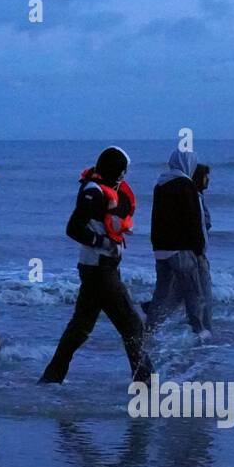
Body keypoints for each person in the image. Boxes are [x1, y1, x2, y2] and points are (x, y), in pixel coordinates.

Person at [40, 147, 152, 384]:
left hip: (97, 269)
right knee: (132, 325)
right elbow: (73, 228)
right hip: (100, 270)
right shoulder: (93, 192)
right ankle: (147, 384)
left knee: (80, 328)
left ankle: (51, 379)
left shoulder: (101, 189)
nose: (125, 175)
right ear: (116, 169)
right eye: (123, 170)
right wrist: (102, 242)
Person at [143, 149, 208, 336]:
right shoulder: (186, 185)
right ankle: (199, 330)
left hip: (161, 248)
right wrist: (198, 248)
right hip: (181, 248)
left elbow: (157, 218)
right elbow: (193, 219)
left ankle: (149, 329)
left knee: (162, 293)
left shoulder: (161, 184)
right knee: (193, 291)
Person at [192, 163, 214, 331]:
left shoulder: (197, 196)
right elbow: (200, 225)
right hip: (197, 253)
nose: (209, 180)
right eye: (206, 176)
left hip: (194, 252)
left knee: (179, 294)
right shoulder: (195, 198)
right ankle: (205, 329)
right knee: (205, 294)